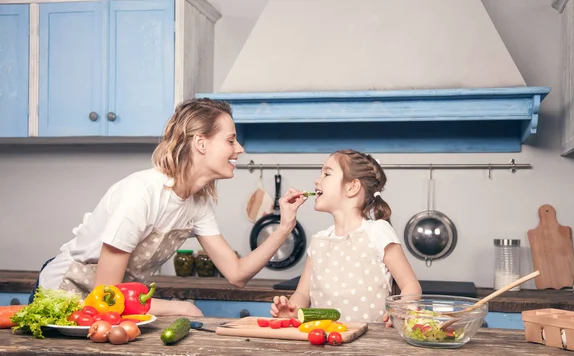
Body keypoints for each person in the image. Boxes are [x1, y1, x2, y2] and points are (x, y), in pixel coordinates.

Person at [33, 98, 307, 316]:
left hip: (115, 308)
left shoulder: (197, 204)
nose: (239, 149)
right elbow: (106, 293)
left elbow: (237, 274)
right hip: (67, 296)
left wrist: (284, 227)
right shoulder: (142, 194)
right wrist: (177, 307)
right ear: (201, 142)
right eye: (230, 139)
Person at [270, 149, 421, 326]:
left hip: (372, 345)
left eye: (326, 173)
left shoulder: (378, 231)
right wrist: (291, 310)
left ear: (352, 187)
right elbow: (303, 294)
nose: (317, 180)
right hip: (325, 342)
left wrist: (401, 308)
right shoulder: (319, 241)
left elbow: (411, 285)